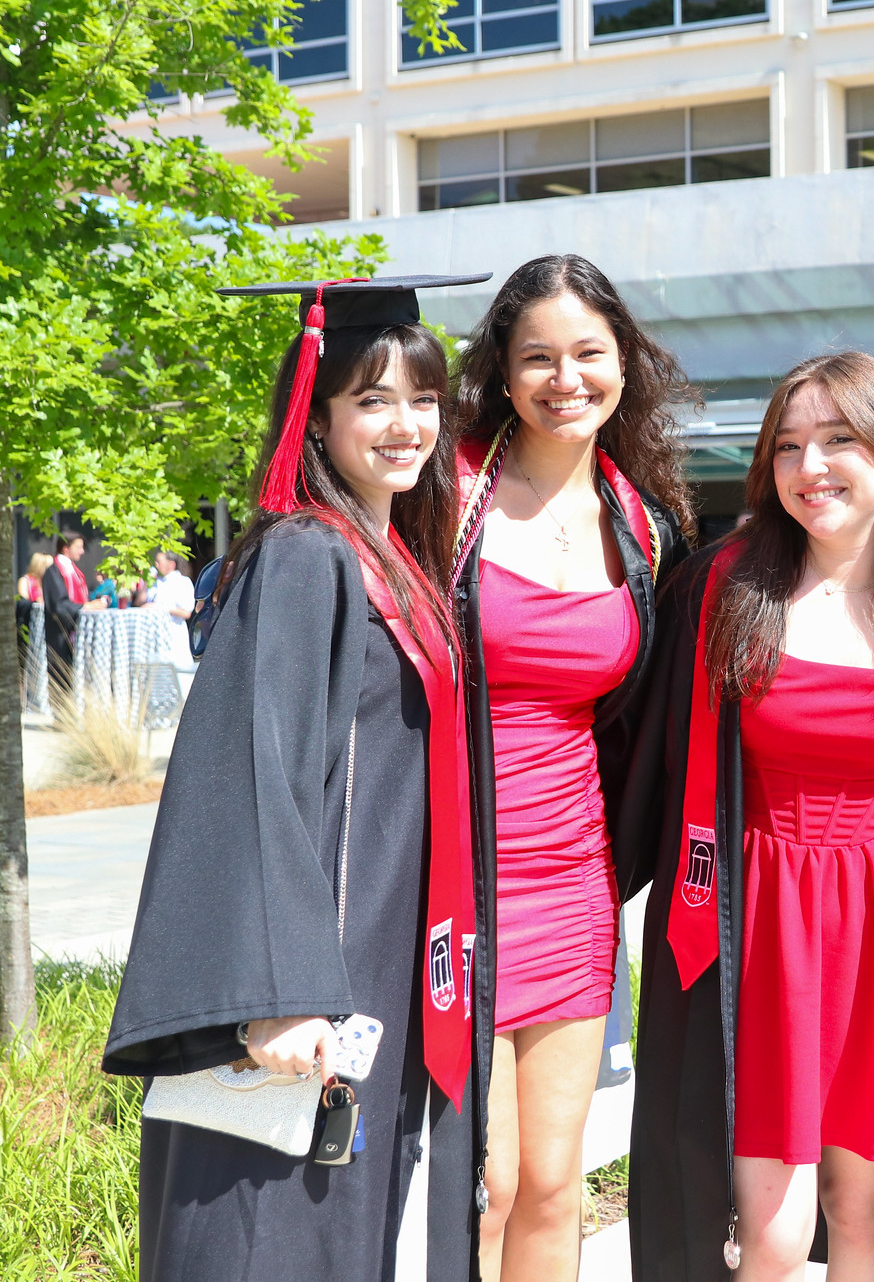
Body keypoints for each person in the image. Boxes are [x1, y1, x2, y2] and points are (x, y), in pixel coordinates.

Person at [103, 272, 495, 1282]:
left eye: (421, 399)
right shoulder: (304, 559)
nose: (404, 425)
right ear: (317, 418)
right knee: (262, 1231)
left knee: (326, 1230)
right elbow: (248, 772)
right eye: (372, 400)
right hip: (307, 989)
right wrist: (277, 991)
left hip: (369, 961)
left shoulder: (391, 555)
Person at [616, 351, 874, 1280]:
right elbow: (643, 751)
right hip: (759, 919)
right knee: (773, 1233)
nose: (808, 465)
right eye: (788, 445)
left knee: (865, 1214)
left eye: (837, 440)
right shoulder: (727, 590)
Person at [448, 255, 690, 1282]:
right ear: (501, 375)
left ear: (624, 365)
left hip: (572, 876)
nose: (565, 378)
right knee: (485, 1183)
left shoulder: (646, 528)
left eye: (588, 353)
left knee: (555, 1182)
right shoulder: (441, 494)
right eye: (536, 357)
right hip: (447, 873)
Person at [40, 531, 105, 676]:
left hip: (75, 633)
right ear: (65, 548)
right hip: (60, 635)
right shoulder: (54, 571)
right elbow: (58, 605)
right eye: (79, 547)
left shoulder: (74, 571)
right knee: (62, 676)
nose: (82, 551)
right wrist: (84, 607)